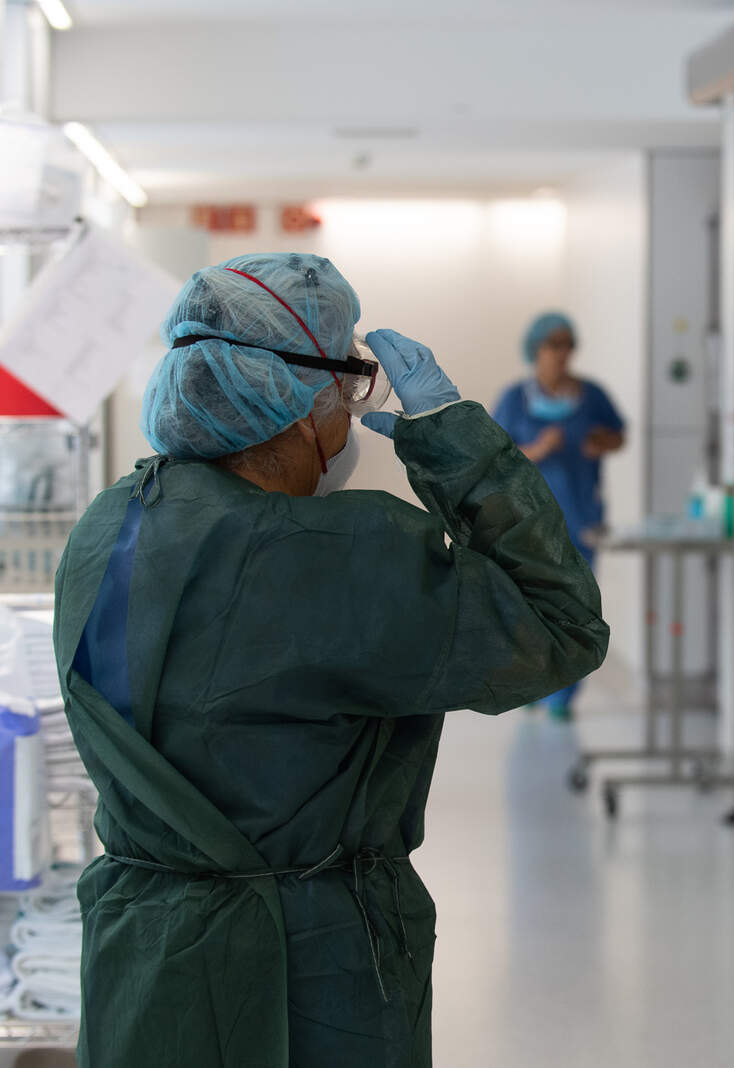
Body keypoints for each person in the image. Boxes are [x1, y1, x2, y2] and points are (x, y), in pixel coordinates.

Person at [51, 254, 608, 1068]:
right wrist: (453, 438)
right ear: (298, 403)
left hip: (145, 963)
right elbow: (561, 625)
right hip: (311, 975)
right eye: (348, 388)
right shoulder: (338, 553)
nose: (349, 418)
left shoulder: (105, 527)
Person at [491, 311, 626, 721]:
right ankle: (532, 683)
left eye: (568, 344)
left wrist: (601, 441)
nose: (563, 352)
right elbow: (497, 453)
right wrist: (537, 450)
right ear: (535, 349)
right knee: (528, 605)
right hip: (526, 520)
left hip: (580, 517)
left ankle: (562, 696)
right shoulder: (514, 399)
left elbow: (618, 434)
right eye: (554, 344)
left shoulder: (592, 396)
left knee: (577, 608)